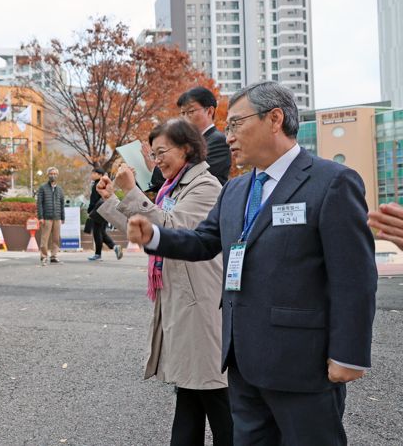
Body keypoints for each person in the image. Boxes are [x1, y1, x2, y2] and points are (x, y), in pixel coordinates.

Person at [126, 81, 376, 445]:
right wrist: (155, 237)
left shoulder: (331, 183)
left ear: (275, 119)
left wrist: (349, 355)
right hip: (241, 362)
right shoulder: (236, 190)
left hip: (302, 364)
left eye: (237, 124)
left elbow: (354, 277)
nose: (228, 137)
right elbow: (203, 241)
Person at [97, 120, 232, 445]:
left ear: (186, 148)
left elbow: (171, 231)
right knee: (190, 394)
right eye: (153, 153)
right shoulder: (176, 188)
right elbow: (147, 230)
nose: (157, 160)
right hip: (182, 301)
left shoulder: (205, 187)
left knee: (215, 398)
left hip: (199, 303)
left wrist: (131, 191)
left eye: (162, 152)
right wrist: (113, 200)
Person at [147, 86, 231, 191]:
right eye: (182, 113)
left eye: (190, 112)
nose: (185, 118)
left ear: (209, 111)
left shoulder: (218, 141)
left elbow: (188, 175)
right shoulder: (186, 143)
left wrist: (154, 168)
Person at [87, 167, 121, 261]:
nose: (92, 175)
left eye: (94, 173)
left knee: (97, 233)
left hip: (98, 211)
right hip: (106, 210)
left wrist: (90, 211)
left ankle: (98, 254)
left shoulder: (97, 184)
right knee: (102, 232)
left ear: (100, 175)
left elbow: (94, 200)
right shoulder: (105, 184)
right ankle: (115, 247)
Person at [36, 166, 65, 266]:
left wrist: (63, 217)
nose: (53, 175)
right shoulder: (42, 188)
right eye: (51, 174)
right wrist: (40, 217)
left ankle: (54, 256)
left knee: (56, 239)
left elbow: (62, 204)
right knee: (45, 239)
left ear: (57, 175)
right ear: (48, 175)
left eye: (55, 174)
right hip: (46, 218)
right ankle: (44, 257)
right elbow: (39, 203)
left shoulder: (60, 189)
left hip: (57, 218)